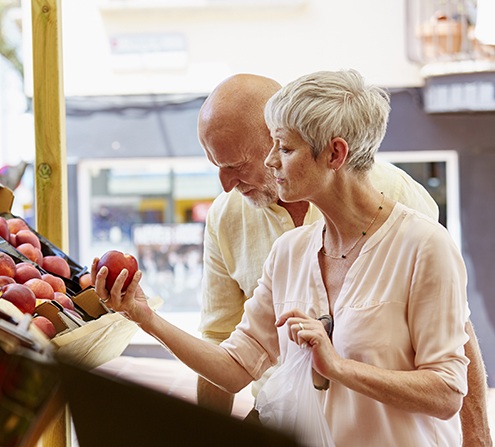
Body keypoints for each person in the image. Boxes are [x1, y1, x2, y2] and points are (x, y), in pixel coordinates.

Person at [93, 69, 474, 446]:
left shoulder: (422, 241)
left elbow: (447, 384)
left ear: (335, 154)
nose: (273, 162)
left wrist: (340, 368)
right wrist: (144, 318)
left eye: (285, 149)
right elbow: (234, 364)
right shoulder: (289, 253)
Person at [195, 73, 491, 446]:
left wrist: (477, 436)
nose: (225, 184)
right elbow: (224, 343)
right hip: (285, 418)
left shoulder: (401, 206)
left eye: (236, 165)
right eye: (216, 165)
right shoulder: (240, 224)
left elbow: (451, 335)